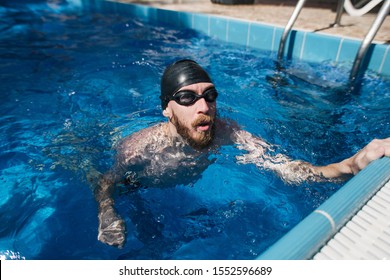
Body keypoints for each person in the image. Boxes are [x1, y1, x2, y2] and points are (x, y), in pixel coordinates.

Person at [94, 59, 390, 248]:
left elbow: (285, 168)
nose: (203, 107)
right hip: (138, 184)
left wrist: (351, 165)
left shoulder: (225, 132)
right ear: (166, 109)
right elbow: (104, 183)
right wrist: (107, 212)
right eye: (187, 97)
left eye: (209, 95)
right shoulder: (138, 149)